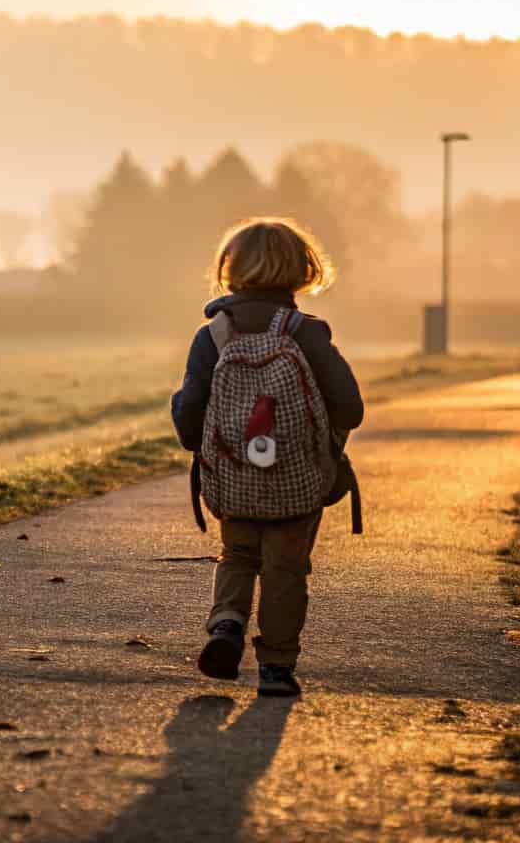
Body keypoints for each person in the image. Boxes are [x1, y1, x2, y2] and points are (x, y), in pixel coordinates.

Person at [170, 217, 364, 698]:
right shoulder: (307, 333)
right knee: (286, 569)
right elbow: (350, 408)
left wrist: (205, 447)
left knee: (237, 555)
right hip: (298, 479)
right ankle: (276, 667)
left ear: (229, 269)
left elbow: (190, 411)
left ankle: (226, 624)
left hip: (233, 476)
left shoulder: (212, 335)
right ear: (304, 269)